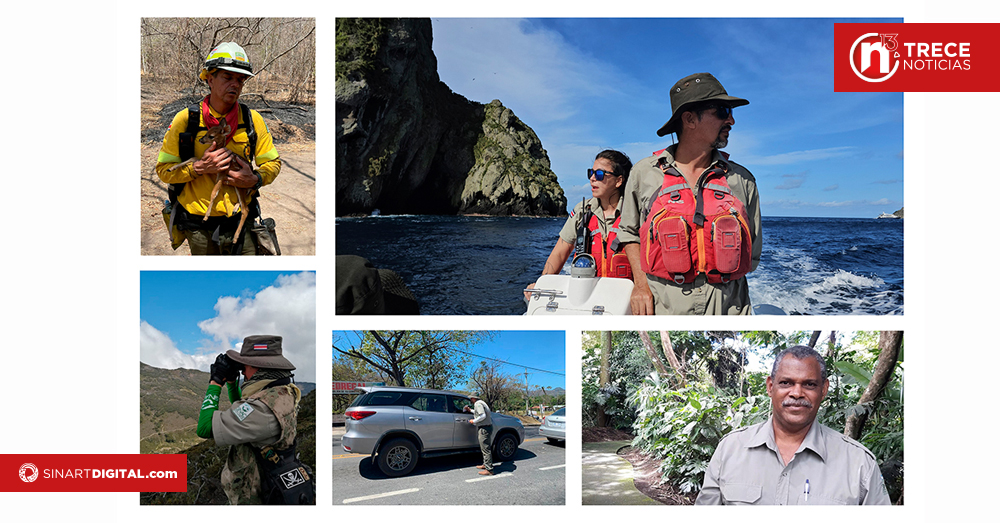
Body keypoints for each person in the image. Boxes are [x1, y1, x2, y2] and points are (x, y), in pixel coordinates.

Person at [618, 72, 761, 314]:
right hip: (665, 305)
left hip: (729, 307)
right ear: (690, 119)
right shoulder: (644, 173)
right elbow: (629, 232)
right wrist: (640, 285)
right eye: (722, 111)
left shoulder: (743, 179)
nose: (732, 121)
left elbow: (753, 251)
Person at [695, 345, 891, 505]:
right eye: (786, 383)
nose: (797, 393)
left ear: (823, 390)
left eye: (809, 384)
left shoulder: (859, 464)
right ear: (771, 387)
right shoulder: (730, 449)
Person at [155, 42, 281, 255]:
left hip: (242, 224)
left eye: (240, 79)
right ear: (209, 79)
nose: (235, 84)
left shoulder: (252, 120)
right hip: (199, 228)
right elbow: (164, 171)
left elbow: (272, 163)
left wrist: (255, 179)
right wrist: (199, 168)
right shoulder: (185, 120)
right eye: (227, 77)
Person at [196, 335, 314, 505]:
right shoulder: (281, 392)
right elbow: (243, 409)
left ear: (259, 367)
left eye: (245, 366)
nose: (242, 371)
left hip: (257, 494)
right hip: (272, 480)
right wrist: (231, 382)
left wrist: (215, 382)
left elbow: (205, 428)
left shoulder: (263, 409)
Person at [525, 150, 634, 299]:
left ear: (618, 181)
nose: (592, 179)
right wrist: (542, 284)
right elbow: (560, 252)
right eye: (591, 173)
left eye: (600, 174)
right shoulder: (582, 212)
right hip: (587, 298)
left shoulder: (635, 213)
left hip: (624, 300)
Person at [464, 393, 494, 475]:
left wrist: (473, 421)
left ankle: (489, 469)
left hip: (484, 428)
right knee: (485, 447)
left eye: (471, 399)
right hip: (486, 427)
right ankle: (485, 464)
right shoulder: (481, 403)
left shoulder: (478, 404)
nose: (470, 400)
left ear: (474, 398)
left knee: (485, 448)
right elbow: (480, 413)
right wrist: (470, 411)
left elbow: (483, 415)